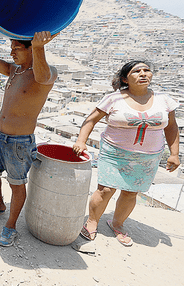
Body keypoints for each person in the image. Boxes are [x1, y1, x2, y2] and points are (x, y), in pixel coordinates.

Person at [73, 60, 179, 247]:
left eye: (147, 70)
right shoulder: (114, 99)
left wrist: (174, 153)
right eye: (137, 71)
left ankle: (117, 224)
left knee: (130, 193)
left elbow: (171, 127)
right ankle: (92, 222)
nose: (143, 74)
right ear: (125, 78)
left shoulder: (164, 100)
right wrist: (81, 140)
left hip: (147, 157)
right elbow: (90, 120)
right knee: (105, 189)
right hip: (114, 153)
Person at [0, 29, 58, 247]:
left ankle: (10, 226)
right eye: (11, 48)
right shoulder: (13, 70)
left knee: (17, 184)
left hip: (19, 142)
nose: (11, 53)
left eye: (16, 48)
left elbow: (42, 76)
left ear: (31, 49)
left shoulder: (47, 73)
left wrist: (40, 47)